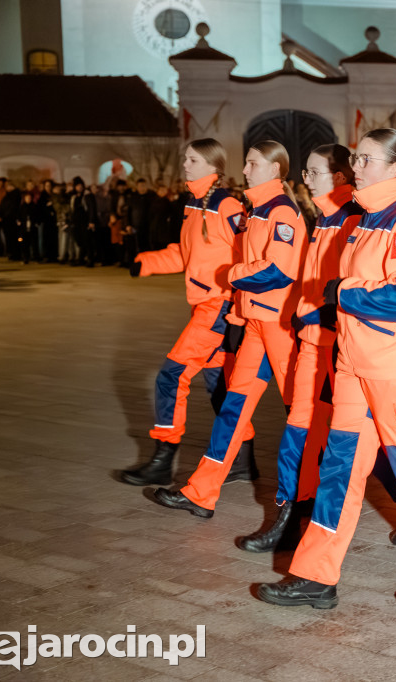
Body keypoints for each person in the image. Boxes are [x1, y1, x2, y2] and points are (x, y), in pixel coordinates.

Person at [258, 128, 396, 609]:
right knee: (338, 468)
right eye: (356, 157)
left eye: (369, 159)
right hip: (357, 365)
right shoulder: (370, 219)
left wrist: (342, 290)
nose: (357, 166)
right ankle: (315, 576)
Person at [153, 140, 306, 517]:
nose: (246, 170)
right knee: (233, 409)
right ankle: (201, 492)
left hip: (279, 326)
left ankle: (314, 494)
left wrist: (232, 276)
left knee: (301, 413)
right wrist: (238, 315)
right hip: (255, 322)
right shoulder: (259, 210)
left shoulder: (282, 212)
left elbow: (278, 270)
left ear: (274, 170)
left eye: (253, 164)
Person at [234, 144, 363, 553]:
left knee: (366, 445)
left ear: (339, 177)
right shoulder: (325, 218)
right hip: (310, 343)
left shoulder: (353, 221)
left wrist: (319, 319)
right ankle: (289, 517)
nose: (304, 179)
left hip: (337, 349)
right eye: (304, 172)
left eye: (313, 172)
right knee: (299, 434)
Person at [119, 138, 255, 488]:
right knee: (219, 387)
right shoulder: (195, 204)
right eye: (186, 158)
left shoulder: (227, 206)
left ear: (213, 166)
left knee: (170, 376)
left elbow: (249, 256)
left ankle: (164, 457)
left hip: (217, 307)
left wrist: (236, 308)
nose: (185, 164)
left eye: (192, 159)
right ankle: (242, 460)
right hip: (206, 305)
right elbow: (185, 253)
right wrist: (145, 262)